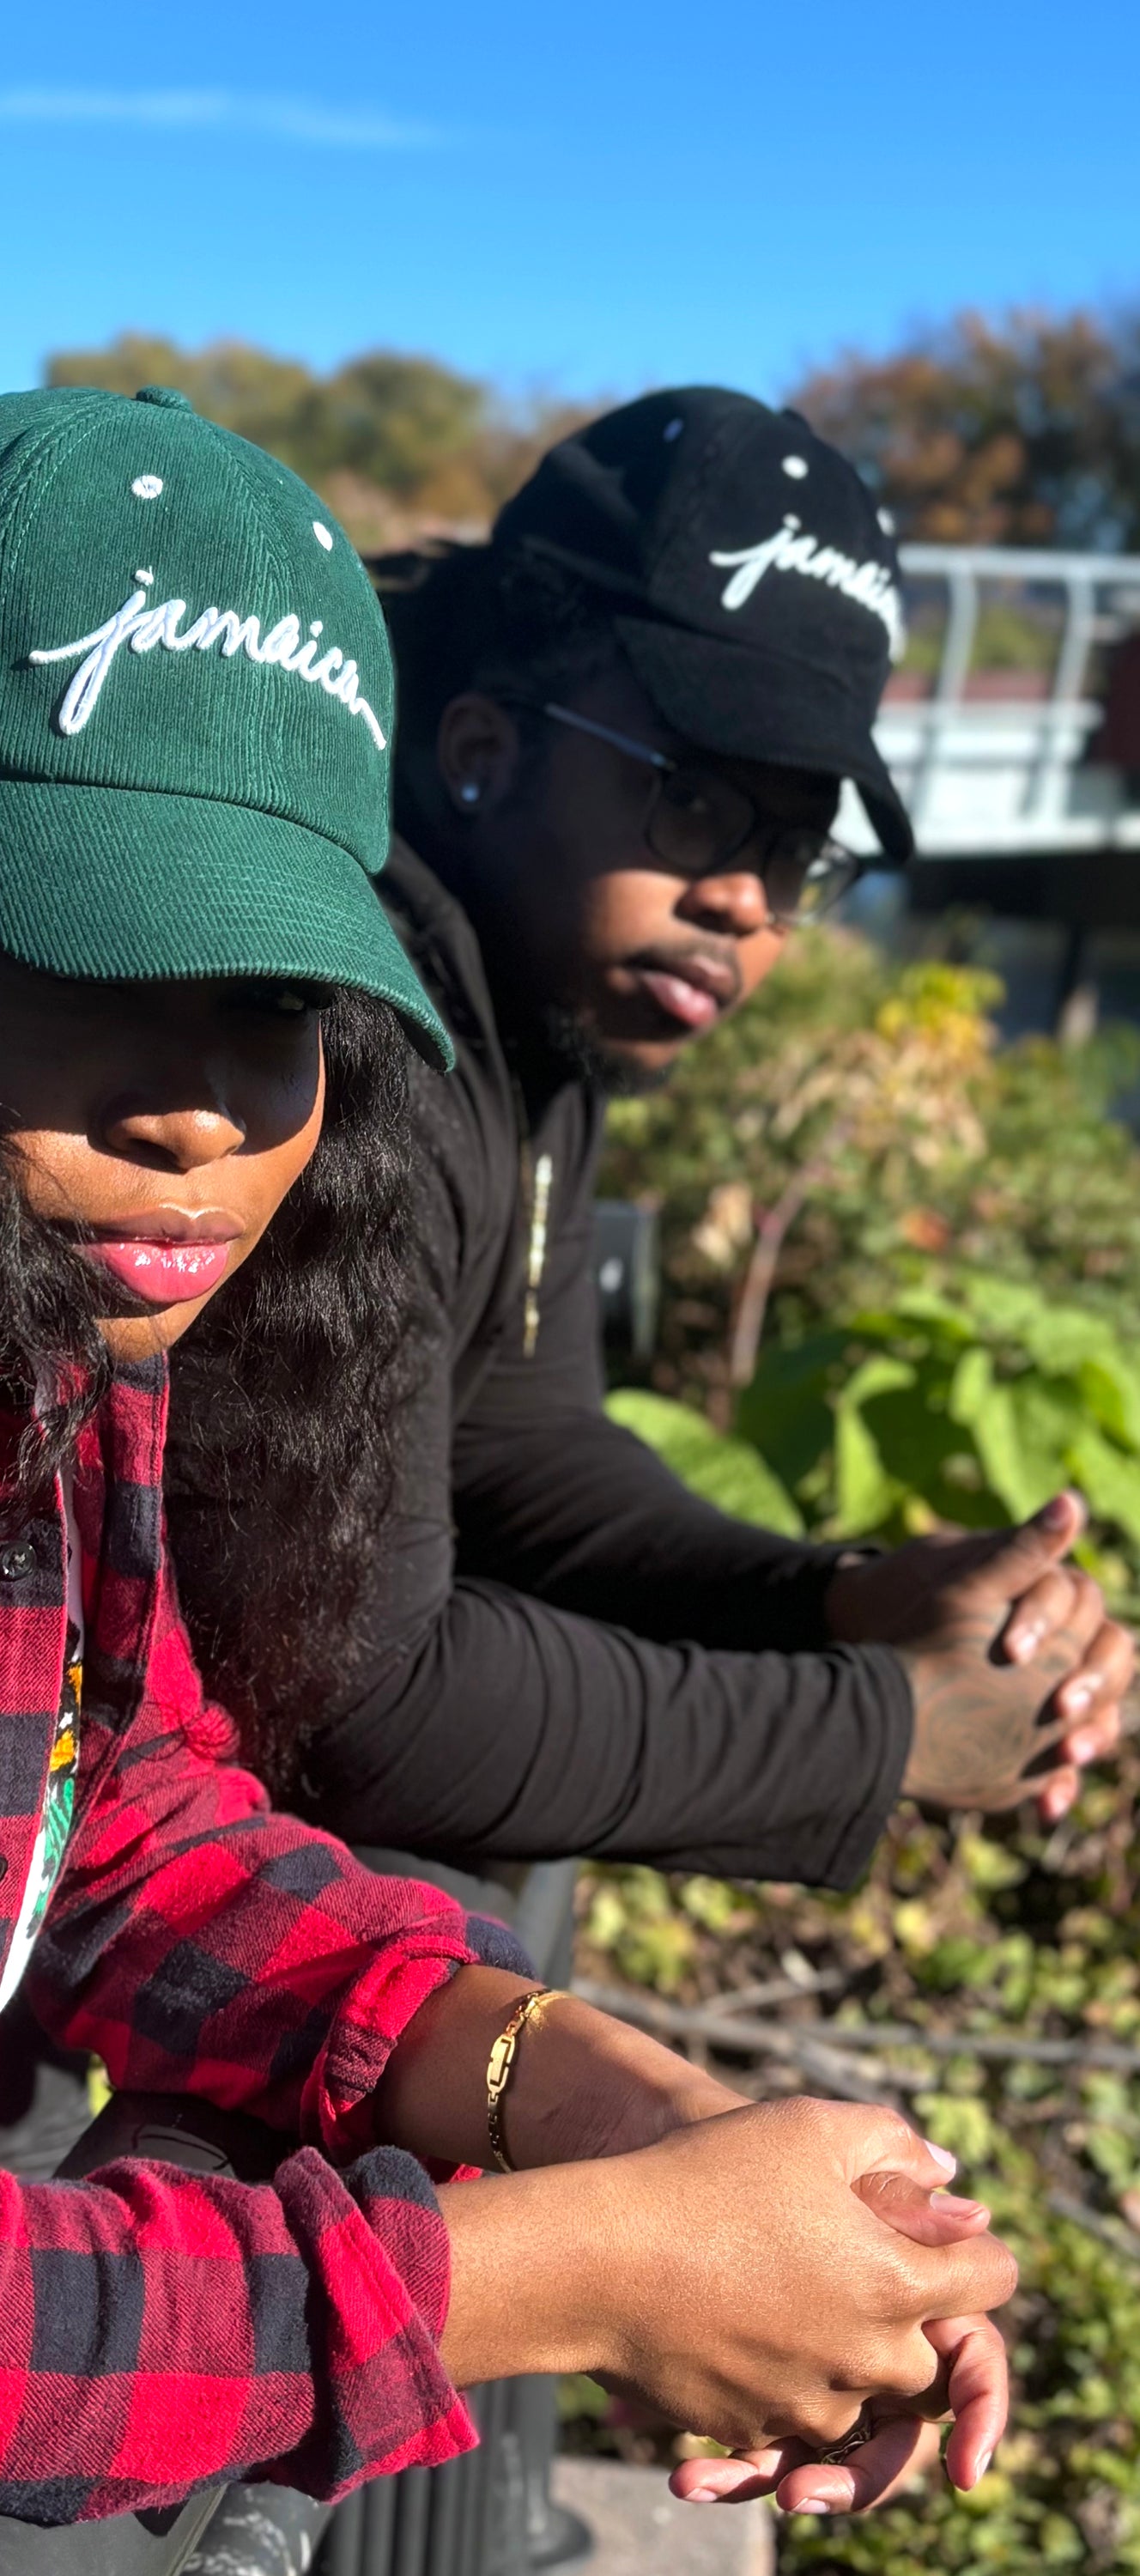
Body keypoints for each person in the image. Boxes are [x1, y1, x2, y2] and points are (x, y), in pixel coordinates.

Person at [0, 386, 1016, 2569]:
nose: (204, 1112)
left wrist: (569, 2081)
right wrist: (572, 2272)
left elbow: (112, 1819)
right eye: (89, 947)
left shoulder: (12, 1268)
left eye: (274, 1002)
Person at [210, 387, 1131, 1882]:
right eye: (696, 800)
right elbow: (357, 1701)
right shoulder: (344, 1037)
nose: (748, 905)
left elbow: (525, 1435)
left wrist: (851, 1598)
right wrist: (885, 1728)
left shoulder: (541, 1007)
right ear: (482, 746)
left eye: (794, 846)